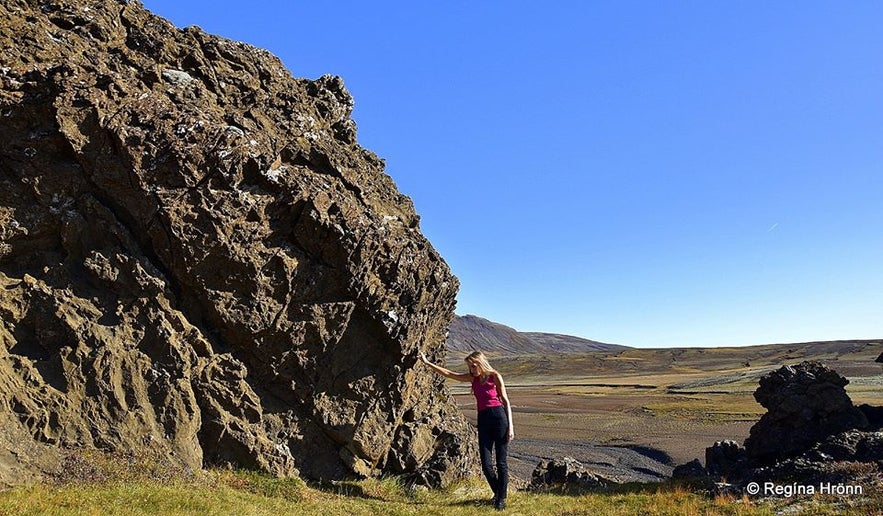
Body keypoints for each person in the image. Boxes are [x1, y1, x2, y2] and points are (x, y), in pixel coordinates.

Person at [420, 350, 514, 511]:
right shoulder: (473, 379)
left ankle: (500, 500)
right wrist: (427, 363)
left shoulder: (494, 376)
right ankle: (499, 492)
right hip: (483, 420)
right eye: (469, 366)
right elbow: (449, 373)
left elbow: (505, 401)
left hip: (499, 419)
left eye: (473, 365)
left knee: (501, 462)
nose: (471, 369)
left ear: (480, 362)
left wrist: (511, 426)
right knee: (486, 464)